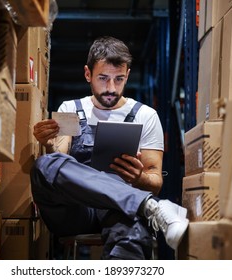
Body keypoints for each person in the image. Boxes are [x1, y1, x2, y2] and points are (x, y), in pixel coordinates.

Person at [30, 36, 189, 260]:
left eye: (119, 79)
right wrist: (48, 144)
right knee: (45, 164)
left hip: (118, 210)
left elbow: (155, 181)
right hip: (76, 211)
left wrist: (139, 177)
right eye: (103, 78)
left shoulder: (145, 116)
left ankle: (141, 207)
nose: (111, 88)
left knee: (133, 230)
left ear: (127, 75)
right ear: (88, 74)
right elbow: (59, 160)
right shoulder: (70, 109)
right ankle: (148, 205)